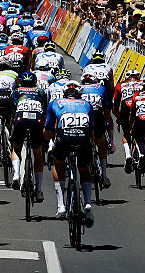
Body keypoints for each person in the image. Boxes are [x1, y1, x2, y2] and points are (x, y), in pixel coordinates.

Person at [44, 81, 95, 225]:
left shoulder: (55, 102)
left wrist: (46, 141)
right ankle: (88, 203)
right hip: (83, 138)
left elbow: (49, 129)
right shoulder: (87, 104)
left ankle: (61, 206)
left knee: (58, 164)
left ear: (64, 94)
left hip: (64, 137)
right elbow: (91, 130)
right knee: (84, 169)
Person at [10, 70, 47, 202]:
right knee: (38, 153)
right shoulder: (41, 92)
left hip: (20, 119)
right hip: (36, 120)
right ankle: (38, 191)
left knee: (16, 148)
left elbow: (12, 111)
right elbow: (44, 113)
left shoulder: (16, 92)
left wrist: (12, 127)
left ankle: (16, 174)